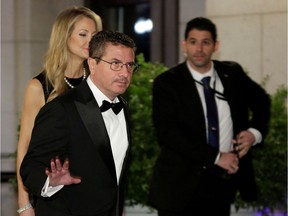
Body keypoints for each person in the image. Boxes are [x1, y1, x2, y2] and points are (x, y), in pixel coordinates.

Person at [147, 17, 270, 216]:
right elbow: (168, 134)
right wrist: (217, 157)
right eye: (193, 42)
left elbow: (262, 101)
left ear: (216, 45)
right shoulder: (167, 83)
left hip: (222, 185)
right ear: (184, 45)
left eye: (206, 42)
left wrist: (253, 133)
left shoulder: (232, 74)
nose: (199, 49)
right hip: (179, 187)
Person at [20, 30, 138, 216]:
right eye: (115, 64)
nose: (125, 73)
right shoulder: (61, 109)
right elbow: (30, 168)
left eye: (129, 65)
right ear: (92, 63)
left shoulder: (123, 108)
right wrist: (51, 181)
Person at [16, 6, 102, 215]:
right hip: (54, 198)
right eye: (83, 34)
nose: (90, 41)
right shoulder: (39, 87)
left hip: (93, 196)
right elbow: (25, 147)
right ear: (65, 37)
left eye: (95, 35)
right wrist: (24, 204)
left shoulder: (98, 83)